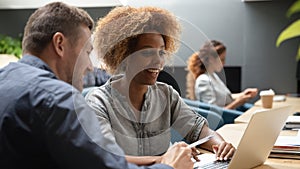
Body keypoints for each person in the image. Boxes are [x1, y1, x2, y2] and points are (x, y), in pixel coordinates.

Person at [0, 2, 195, 169]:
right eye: (86, 52)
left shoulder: (5, 80)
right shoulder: (58, 98)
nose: (89, 67)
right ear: (59, 44)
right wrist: (168, 165)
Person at [85, 6, 235, 166]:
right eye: (147, 53)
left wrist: (221, 145)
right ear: (124, 56)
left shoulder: (166, 94)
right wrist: (164, 159)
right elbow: (107, 156)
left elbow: (199, 131)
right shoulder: (98, 102)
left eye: (162, 52)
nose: (158, 62)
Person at [186, 40, 258, 110]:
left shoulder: (213, 76)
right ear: (211, 59)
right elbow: (214, 113)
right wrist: (238, 102)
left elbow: (225, 97)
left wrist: (243, 94)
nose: (224, 63)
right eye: (222, 59)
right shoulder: (203, 80)